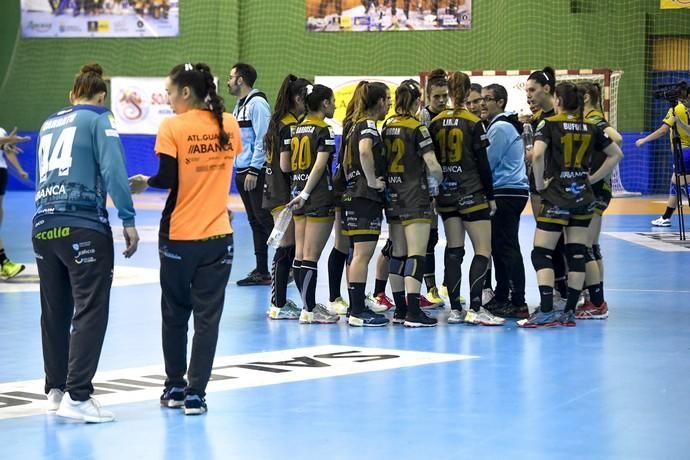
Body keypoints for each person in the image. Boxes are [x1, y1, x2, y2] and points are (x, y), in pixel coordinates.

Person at [129, 62, 239, 415]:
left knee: (175, 314)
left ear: (186, 92)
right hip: (219, 236)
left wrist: (145, 181)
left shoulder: (172, 127)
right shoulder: (229, 124)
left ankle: (174, 386)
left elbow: (168, 177)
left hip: (178, 236)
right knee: (208, 319)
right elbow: (217, 173)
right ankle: (196, 394)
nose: (169, 98)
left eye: (171, 92)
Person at [34, 64, 139, 423]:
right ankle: (78, 397)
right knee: (90, 308)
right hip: (83, 226)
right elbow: (113, 169)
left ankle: (56, 389)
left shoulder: (49, 123)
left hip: (43, 225)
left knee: (54, 311)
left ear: (70, 95)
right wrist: (127, 217)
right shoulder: (98, 117)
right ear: (100, 97)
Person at [519, 82, 623, 328]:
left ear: (559, 101)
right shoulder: (591, 126)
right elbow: (616, 154)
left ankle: (546, 311)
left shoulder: (549, 124)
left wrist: (541, 182)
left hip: (556, 196)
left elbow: (539, 153)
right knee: (576, 252)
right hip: (583, 197)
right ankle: (568, 312)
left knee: (542, 253)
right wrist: (591, 178)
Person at [429, 72, 504, 326]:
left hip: (446, 194)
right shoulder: (474, 123)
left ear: (449, 92)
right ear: (468, 90)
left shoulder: (435, 122)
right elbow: (483, 165)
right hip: (472, 193)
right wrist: (491, 196)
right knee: (483, 249)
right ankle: (474, 307)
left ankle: (454, 310)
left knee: (454, 250)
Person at [382, 80, 443, 327]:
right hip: (414, 197)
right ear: (418, 102)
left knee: (397, 252)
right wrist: (438, 182)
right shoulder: (418, 128)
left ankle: (400, 310)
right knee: (416, 253)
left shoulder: (387, 126)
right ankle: (414, 312)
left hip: (392, 196)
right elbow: (433, 165)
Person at [287, 84, 340, 324]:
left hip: (297, 191)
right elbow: (320, 166)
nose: (336, 106)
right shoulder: (324, 130)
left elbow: (286, 165)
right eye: (333, 101)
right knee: (311, 255)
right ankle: (309, 309)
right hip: (316, 195)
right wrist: (308, 193)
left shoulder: (296, 128)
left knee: (301, 253)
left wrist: (299, 190)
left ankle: (305, 307)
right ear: (325, 104)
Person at [340, 81, 391, 327]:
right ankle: (358, 311)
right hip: (364, 197)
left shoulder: (352, 126)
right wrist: (372, 181)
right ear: (380, 101)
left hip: (351, 196)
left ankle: (355, 306)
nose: (389, 104)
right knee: (362, 255)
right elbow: (364, 152)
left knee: (355, 254)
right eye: (388, 100)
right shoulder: (368, 125)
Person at [263, 75, 311, 320]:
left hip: (276, 191)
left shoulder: (280, 120)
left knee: (288, 249)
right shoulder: (290, 125)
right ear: (298, 99)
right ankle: (278, 304)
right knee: (286, 249)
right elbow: (285, 164)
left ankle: (279, 302)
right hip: (282, 193)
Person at [480, 83, 530, 319]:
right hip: (509, 190)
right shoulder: (502, 125)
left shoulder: (499, 127)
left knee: (507, 246)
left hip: (506, 191)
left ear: (500, 102)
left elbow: (488, 162)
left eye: (487, 99)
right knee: (499, 247)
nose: (482, 103)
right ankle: (502, 297)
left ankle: (518, 300)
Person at [576, 82, 623, 320]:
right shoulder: (590, 119)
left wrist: (595, 175)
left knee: (586, 246)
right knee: (592, 246)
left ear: (585, 98)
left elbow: (617, 139)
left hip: (595, 190)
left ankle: (597, 302)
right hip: (597, 190)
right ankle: (594, 297)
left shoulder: (594, 120)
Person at [525, 66, 568, 308]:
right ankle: (557, 292)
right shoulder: (535, 120)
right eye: (527, 91)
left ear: (547, 89)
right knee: (547, 240)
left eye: (532, 90)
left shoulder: (560, 118)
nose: (528, 95)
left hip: (558, 188)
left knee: (562, 242)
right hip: (538, 188)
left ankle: (567, 291)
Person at [227, 63, 274, 285]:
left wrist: (254, 170)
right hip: (242, 171)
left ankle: (290, 263)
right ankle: (262, 271)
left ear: (240, 80)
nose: (228, 81)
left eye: (231, 77)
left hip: (255, 173)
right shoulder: (239, 106)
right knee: (255, 221)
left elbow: (263, 139)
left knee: (265, 220)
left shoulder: (258, 104)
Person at [418, 68, 452, 308]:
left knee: (451, 237)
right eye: (436, 97)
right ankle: (430, 288)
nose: (441, 101)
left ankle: (449, 285)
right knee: (428, 239)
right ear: (427, 97)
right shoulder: (424, 119)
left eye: (444, 96)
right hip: (428, 186)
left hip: (450, 185)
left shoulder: (450, 117)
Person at [635, 83, 690, 227]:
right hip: (684, 153)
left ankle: (666, 217)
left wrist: (644, 140)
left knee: (684, 185)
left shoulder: (677, 109)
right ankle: (666, 217)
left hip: (684, 152)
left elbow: (663, 130)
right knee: (675, 184)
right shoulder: (685, 108)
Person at [0, 127, 30, 279]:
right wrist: (10, 140)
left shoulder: (1, 130)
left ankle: (3, 263)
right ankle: (3, 263)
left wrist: (20, 170)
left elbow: (7, 150)